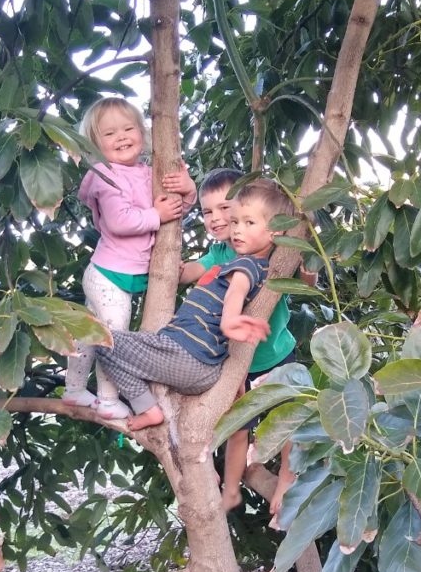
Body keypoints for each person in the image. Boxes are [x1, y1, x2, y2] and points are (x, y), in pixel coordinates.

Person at [94, 179, 297, 434]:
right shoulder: (226, 257)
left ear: (274, 230)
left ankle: (146, 408)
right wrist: (171, 266)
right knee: (116, 346)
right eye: (235, 221)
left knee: (101, 341)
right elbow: (193, 271)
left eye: (247, 222)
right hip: (200, 363)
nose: (234, 228)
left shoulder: (246, 264)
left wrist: (229, 320)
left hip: (187, 354)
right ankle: (149, 407)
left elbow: (237, 291)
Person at [181, 169, 314, 517]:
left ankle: (286, 479)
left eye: (226, 209)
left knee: (289, 419)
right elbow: (189, 271)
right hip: (237, 361)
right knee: (236, 426)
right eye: (208, 212)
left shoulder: (275, 249)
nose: (219, 220)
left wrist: (307, 254)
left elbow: (307, 276)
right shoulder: (221, 253)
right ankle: (228, 487)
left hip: (275, 354)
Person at [64, 98, 196, 419]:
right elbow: (119, 221)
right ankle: (106, 399)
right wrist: (156, 214)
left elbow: (175, 210)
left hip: (124, 275)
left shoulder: (147, 173)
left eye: (128, 128)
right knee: (113, 338)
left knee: (91, 334)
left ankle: (74, 390)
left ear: (142, 132)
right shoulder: (104, 174)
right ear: (95, 145)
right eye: (109, 134)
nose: (121, 137)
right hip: (109, 275)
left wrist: (188, 190)